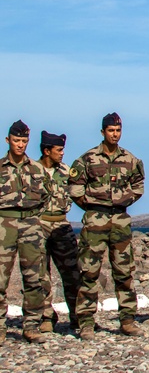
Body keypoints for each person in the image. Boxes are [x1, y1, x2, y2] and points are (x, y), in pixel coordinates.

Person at [67, 112, 145, 340]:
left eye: (118, 130)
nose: (115, 134)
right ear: (103, 132)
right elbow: (74, 186)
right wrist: (91, 205)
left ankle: (128, 320)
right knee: (89, 272)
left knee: (124, 272)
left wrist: (123, 200)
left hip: (120, 221)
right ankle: (87, 322)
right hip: (95, 221)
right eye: (111, 130)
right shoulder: (88, 159)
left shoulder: (130, 159)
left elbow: (138, 185)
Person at [0, 120, 50, 344]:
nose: (20, 145)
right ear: (8, 140)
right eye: (17, 140)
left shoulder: (37, 169)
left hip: (30, 225)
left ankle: (31, 325)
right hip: (4, 226)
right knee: (1, 280)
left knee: (33, 278)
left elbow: (46, 196)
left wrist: (33, 217)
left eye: (24, 141)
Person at [37, 130, 81, 334]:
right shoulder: (33, 171)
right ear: (47, 151)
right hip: (38, 226)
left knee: (72, 273)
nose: (62, 153)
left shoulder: (66, 171)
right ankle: (46, 316)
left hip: (62, 226)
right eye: (59, 149)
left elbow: (75, 194)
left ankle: (77, 316)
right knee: (40, 275)